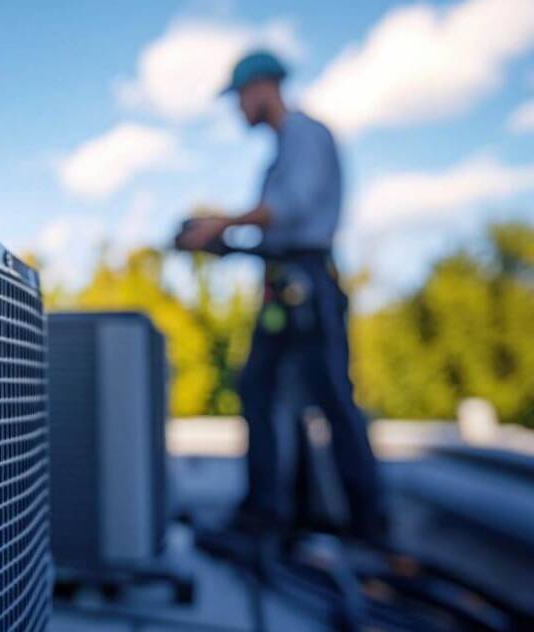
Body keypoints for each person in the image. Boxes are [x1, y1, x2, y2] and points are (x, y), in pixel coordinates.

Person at [178, 51, 387, 544]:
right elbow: (275, 233)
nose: (239, 110)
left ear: (262, 88)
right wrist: (222, 244)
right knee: (260, 391)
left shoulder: (306, 134)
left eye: (240, 99)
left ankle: (368, 522)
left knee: (332, 397)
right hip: (282, 286)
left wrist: (222, 222)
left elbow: (290, 210)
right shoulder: (280, 151)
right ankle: (267, 514)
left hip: (308, 286)